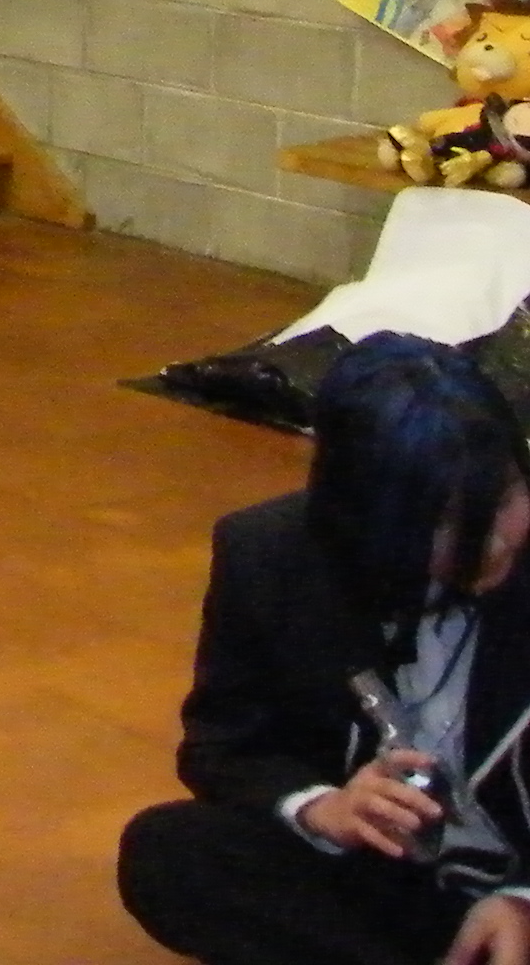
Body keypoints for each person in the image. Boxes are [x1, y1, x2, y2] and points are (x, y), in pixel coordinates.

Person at [121, 333, 530, 965]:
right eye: (445, 522)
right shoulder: (270, 555)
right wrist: (323, 808)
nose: (493, 543)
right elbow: (225, 746)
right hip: (402, 883)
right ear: (365, 514)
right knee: (170, 853)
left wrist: (522, 899)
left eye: (503, 499)